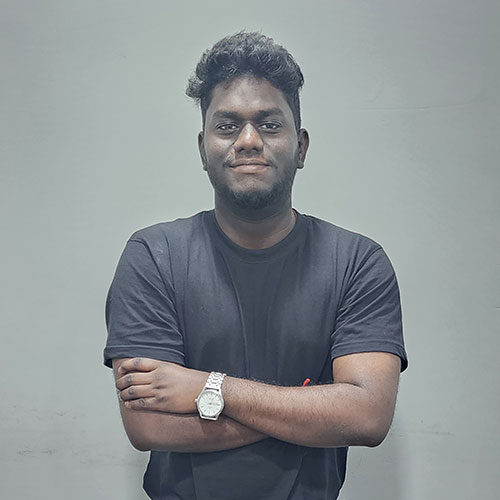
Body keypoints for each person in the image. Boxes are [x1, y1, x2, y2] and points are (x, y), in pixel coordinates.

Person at [104, 31, 408, 500]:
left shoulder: (357, 263)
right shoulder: (154, 256)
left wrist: (209, 388)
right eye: (227, 126)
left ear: (300, 147)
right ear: (202, 148)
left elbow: (367, 417)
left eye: (269, 124)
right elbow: (148, 426)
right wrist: (311, 411)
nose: (248, 141)